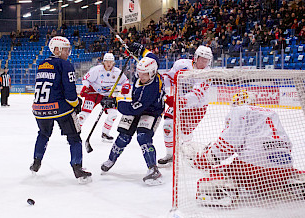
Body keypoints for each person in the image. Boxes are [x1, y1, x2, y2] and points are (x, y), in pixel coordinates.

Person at [193, 90, 305, 206]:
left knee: (222, 170)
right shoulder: (271, 112)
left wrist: (209, 158)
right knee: (275, 170)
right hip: (284, 170)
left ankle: (223, 190)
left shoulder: (239, 111)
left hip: (253, 172)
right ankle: (300, 183)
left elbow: (229, 141)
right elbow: (287, 144)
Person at [100, 45, 165, 186]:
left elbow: (132, 109)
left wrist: (115, 102)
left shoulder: (149, 89)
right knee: (123, 135)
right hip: (137, 106)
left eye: (144, 74)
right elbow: (150, 54)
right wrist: (140, 49)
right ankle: (111, 159)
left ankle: (153, 168)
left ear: (152, 73)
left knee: (143, 136)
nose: (140, 76)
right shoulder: (152, 63)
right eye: (138, 72)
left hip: (152, 111)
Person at [30, 36, 92, 184]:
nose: (68, 52)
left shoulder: (42, 64)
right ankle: (78, 168)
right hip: (59, 108)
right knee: (74, 137)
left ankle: (36, 162)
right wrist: (76, 104)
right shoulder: (65, 65)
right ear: (56, 50)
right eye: (65, 49)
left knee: (43, 134)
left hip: (39, 109)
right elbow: (70, 92)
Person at [158, 45, 213, 165]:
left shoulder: (207, 74)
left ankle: (190, 151)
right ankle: (169, 154)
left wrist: (177, 101)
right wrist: (164, 90)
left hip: (197, 108)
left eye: (207, 60)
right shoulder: (181, 64)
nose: (204, 62)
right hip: (179, 103)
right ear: (196, 57)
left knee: (184, 132)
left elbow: (197, 94)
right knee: (167, 125)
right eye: (202, 59)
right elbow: (169, 77)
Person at [78, 53, 130, 142]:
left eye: (110, 62)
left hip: (108, 95)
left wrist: (125, 87)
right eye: (107, 62)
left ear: (113, 62)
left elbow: (125, 81)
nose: (109, 64)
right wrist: (85, 87)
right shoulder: (96, 70)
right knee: (83, 115)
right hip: (93, 93)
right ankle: (75, 134)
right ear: (103, 62)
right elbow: (86, 79)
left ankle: (105, 133)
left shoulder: (117, 72)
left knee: (113, 114)